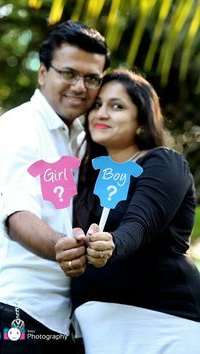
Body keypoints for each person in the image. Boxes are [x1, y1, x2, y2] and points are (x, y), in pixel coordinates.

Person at [0, 20, 112, 354]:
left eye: (92, 78)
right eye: (69, 73)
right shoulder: (20, 127)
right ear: (43, 73)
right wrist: (60, 245)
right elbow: (18, 214)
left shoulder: (84, 141)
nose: (79, 86)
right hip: (7, 314)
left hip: (57, 326)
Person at [56, 68, 200, 354]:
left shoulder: (163, 162)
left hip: (164, 322)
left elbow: (139, 225)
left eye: (117, 106)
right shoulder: (85, 179)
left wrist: (112, 244)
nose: (102, 113)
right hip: (97, 333)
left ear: (142, 120)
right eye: (97, 105)